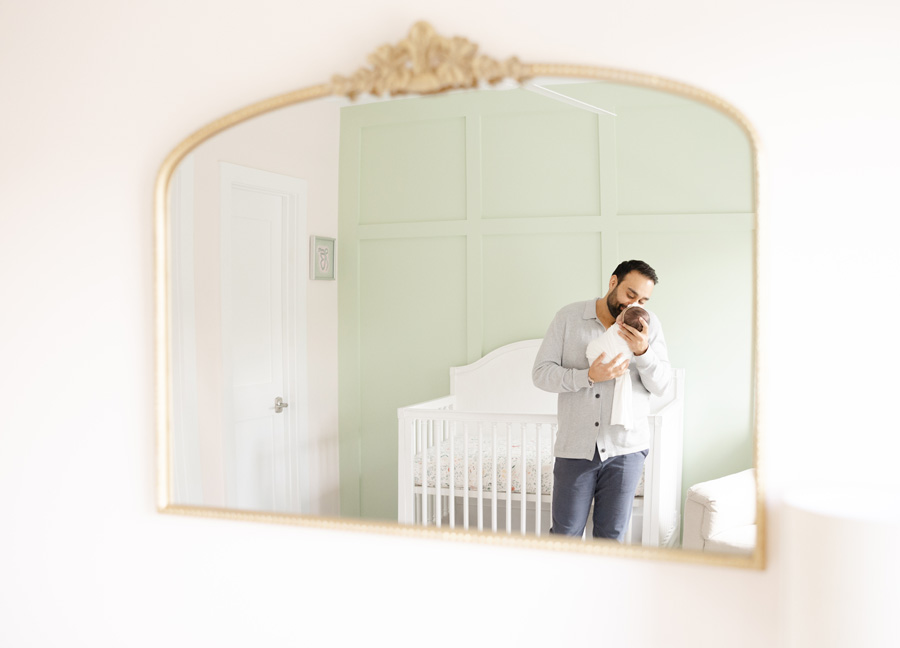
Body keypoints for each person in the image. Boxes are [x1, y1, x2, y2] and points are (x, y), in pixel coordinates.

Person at [532, 260, 671, 541]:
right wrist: (588, 376)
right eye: (630, 295)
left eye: (643, 299)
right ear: (613, 283)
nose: (635, 305)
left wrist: (643, 352)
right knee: (565, 535)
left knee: (611, 538)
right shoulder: (569, 318)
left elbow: (662, 385)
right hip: (576, 448)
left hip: (626, 449)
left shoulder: (648, 324)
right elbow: (541, 374)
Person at [584, 304, 650, 431]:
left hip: (599, 353)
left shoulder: (618, 328)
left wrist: (643, 351)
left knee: (594, 349)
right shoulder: (630, 333)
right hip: (610, 359)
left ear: (621, 321)